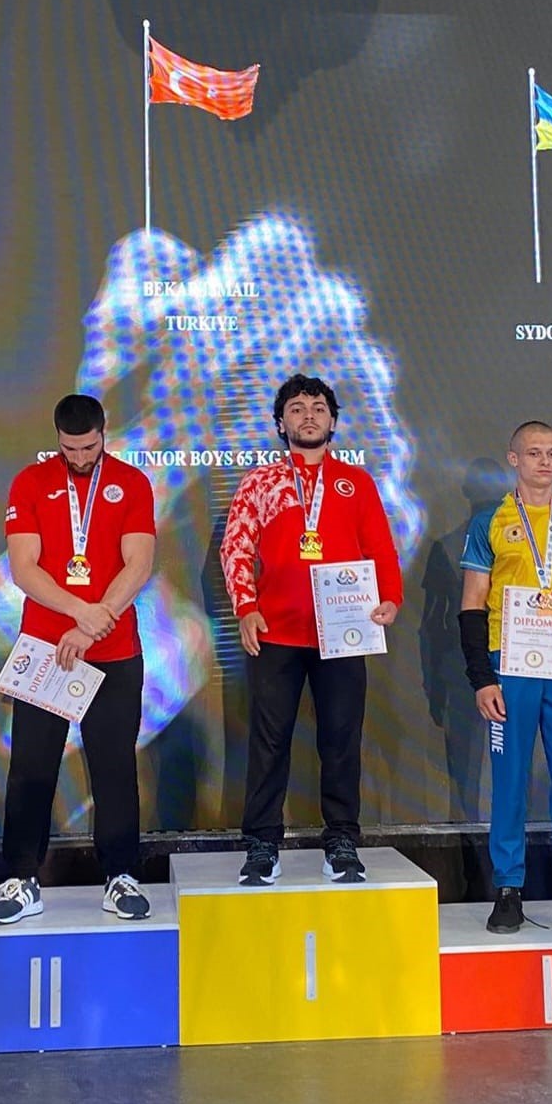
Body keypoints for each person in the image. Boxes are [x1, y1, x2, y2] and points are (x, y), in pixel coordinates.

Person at [220, 373, 402, 886]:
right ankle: (262, 844)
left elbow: (380, 548)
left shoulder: (355, 482)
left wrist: (390, 597)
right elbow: (235, 546)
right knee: (269, 742)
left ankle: (341, 841)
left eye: (319, 407)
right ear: (281, 423)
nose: (308, 415)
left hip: (343, 633)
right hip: (276, 633)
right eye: (297, 408)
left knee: (341, 739)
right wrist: (246, 606)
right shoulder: (261, 482)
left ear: (333, 421)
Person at [0, 394, 155, 924]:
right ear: (57, 439)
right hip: (46, 648)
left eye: (89, 447)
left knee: (114, 767)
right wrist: (81, 612)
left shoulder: (131, 482)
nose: (80, 457)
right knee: (31, 767)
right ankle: (21, 878)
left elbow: (138, 563)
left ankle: (120, 875)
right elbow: (24, 568)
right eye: (70, 448)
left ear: (104, 433)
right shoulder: (30, 483)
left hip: (114, 649)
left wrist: (94, 623)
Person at [458, 421, 552, 934]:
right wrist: (482, 678)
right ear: (514, 459)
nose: (544, 462)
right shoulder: (491, 522)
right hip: (509, 663)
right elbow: (472, 603)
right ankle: (508, 888)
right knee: (510, 777)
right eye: (534, 453)